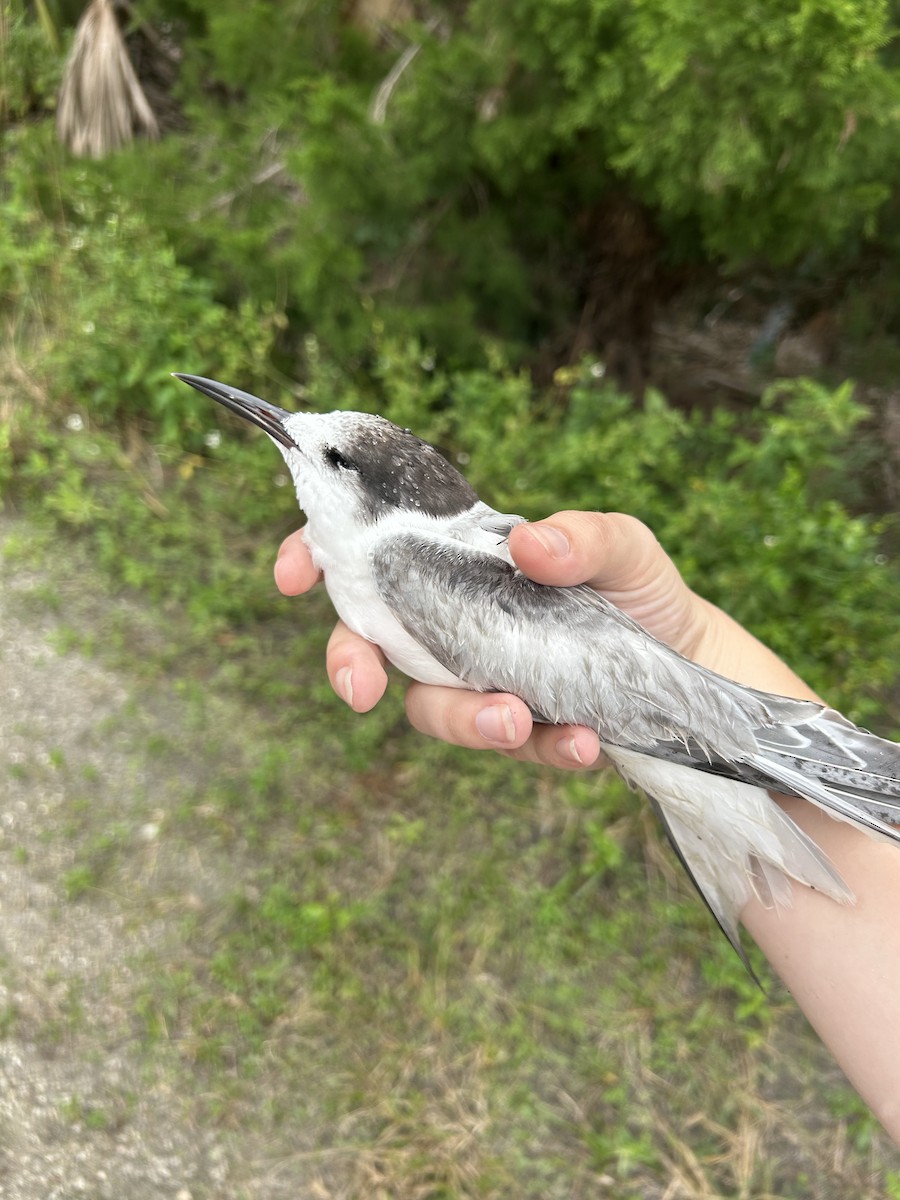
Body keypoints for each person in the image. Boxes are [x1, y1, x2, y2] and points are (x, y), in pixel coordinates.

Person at [274, 509, 900, 1142]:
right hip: (693, 710)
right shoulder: (400, 555)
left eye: (333, 459)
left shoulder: (396, 559)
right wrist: (693, 641)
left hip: (701, 726)